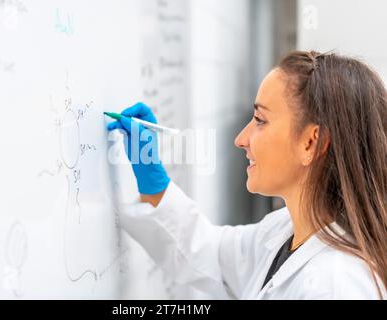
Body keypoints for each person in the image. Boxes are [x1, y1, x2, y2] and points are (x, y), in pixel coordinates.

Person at [106, 50, 387, 299]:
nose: (241, 139)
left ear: (311, 143)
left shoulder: (337, 287)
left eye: (260, 121)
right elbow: (207, 254)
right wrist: (153, 181)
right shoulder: (284, 231)